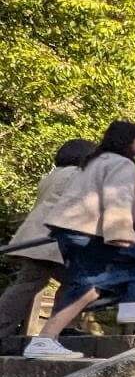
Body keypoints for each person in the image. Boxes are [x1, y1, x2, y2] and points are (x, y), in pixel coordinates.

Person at [23, 122, 135, 360]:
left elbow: (124, 203)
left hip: (68, 229)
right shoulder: (123, 163)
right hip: (89, 232)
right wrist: (120, 233)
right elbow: (117, 200)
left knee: (86, 289)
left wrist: (134, 212)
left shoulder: (94, 161)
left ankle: (45, 340)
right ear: (127, 141)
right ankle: (130, 305)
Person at [0, 139, 94, 339]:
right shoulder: (78, 176)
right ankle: (56, 331)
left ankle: (8, 329)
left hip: (37, 236)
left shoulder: (53, 176)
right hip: (55, 240)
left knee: (28, 284)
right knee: (80, 283)